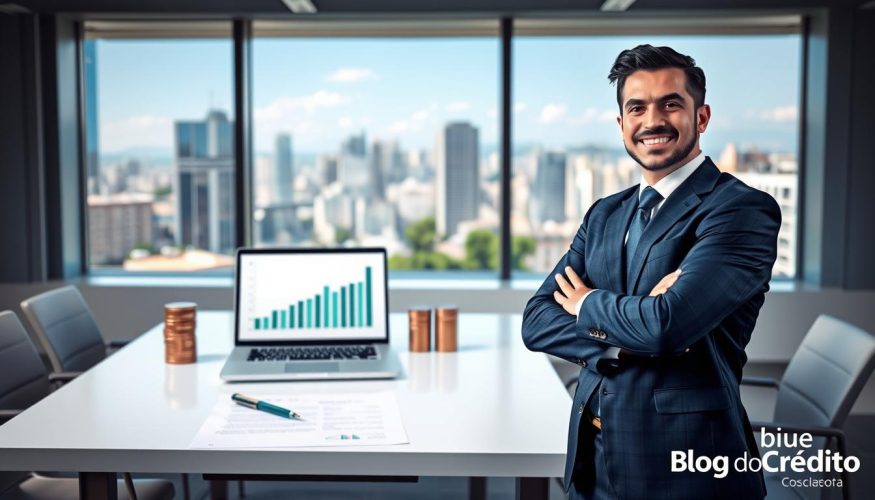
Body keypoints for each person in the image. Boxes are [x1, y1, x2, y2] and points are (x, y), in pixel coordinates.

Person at [521, 44, 780, 499]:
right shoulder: (605, 214)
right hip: (593, 457)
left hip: (684, 468)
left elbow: (667, 324)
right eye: (637, 108)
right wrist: (628, 332)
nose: (652, 121)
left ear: (702, 117)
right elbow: (537, 319)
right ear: (621, 123)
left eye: (671, 104)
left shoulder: (739, 210)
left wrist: (586, 303)